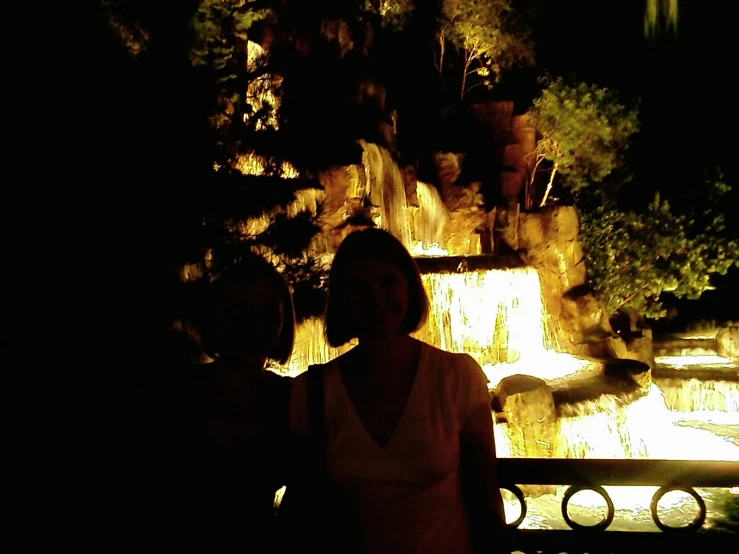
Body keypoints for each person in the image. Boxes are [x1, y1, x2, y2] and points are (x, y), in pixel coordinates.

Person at [288, 228, 506, 554]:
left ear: (409, 286)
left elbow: (486, 498)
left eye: (388, 282)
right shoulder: (313, 392)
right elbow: (302, 502)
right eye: (361, 289)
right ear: (343, 300)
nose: (376, 298)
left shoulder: (457, 377)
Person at [137, 254, 297, 549]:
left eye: (268, 315)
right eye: (240, 313)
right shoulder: (175, 391)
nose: (253, 327)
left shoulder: (292, 398)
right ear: (216, 316)